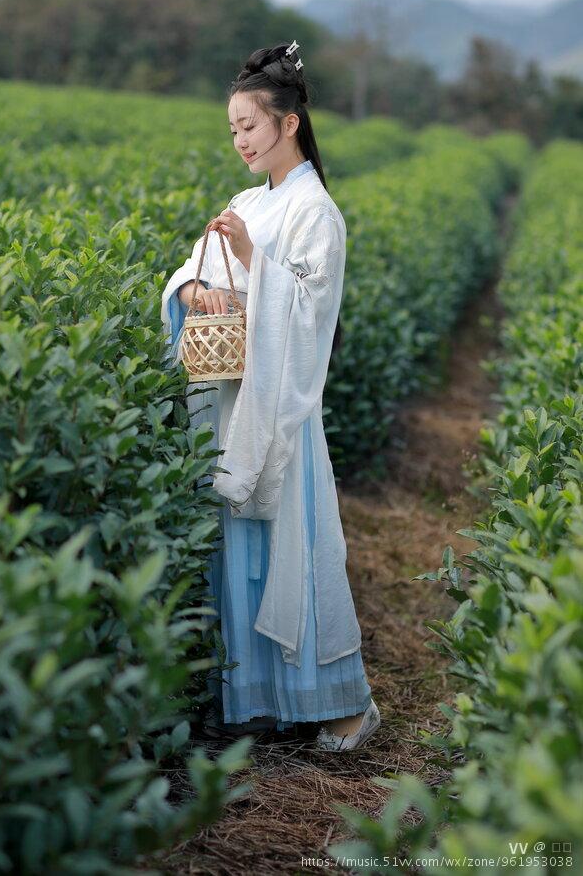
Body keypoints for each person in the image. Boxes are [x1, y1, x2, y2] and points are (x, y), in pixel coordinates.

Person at [160, 41, 381, 753]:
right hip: (234, 405)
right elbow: (187, 280)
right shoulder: (246, 202)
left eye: (249, 125)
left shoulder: (318, 213)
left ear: (288, 123)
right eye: (231, 128)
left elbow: (311, 317)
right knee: (243, 554)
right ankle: (262, 699)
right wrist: (204, 288)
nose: (240, 139)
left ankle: (346, 706)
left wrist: (254, 265)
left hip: (282, 411)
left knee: (301, 554)